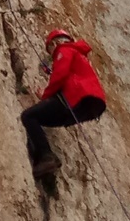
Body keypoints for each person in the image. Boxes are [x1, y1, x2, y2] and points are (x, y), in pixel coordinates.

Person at [21, 28, 105, 182]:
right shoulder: (79, 55)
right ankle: (47, 162)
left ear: (55, 43)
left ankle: (46, 157)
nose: (53, 54)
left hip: (78, 97)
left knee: (29, 116)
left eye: (51, 49)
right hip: (91, 107)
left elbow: (60, 75)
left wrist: (45, 96)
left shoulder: (64, 50)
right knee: (38, 119)